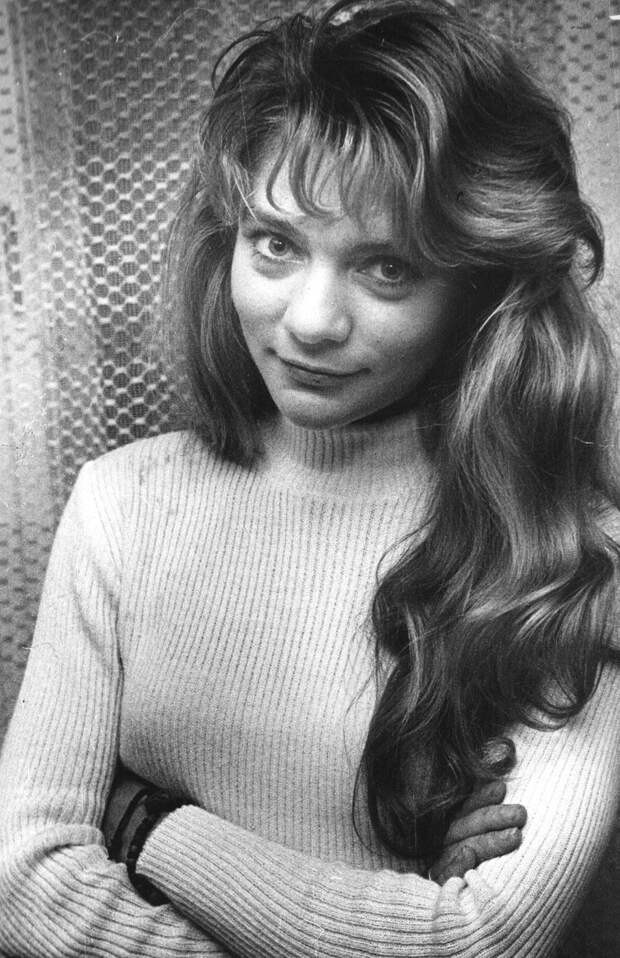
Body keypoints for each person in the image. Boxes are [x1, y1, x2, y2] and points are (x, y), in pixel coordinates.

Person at [0, 0, 618, 955]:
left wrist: (147, 827)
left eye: (387, 268)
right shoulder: (122, 502)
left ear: (478, 289)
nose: (310, 321)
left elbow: (472, 943)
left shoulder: (570, 558)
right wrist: (366, 913)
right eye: (276, 244)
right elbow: (22, 881)